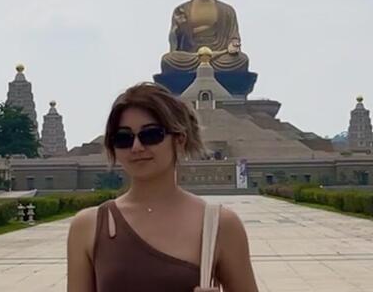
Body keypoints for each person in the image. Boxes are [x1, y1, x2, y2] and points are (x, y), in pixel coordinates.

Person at [66, 82, 258, 292]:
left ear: (179, 140)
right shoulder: (89, 227)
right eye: (123, 138)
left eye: (151, 135)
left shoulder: (220, 225)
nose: (136, 147)